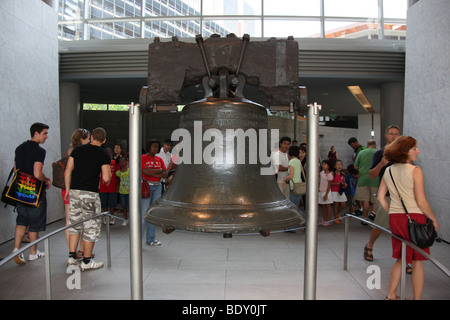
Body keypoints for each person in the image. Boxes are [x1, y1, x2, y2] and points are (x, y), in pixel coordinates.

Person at [377, 136, 439, 300]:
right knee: (417, 261)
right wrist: (433, 219)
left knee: (400, 258)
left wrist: (392, 211)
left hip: (396, 218)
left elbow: (381, 197)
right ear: (404, 152)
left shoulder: (388, 170)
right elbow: (421, 201)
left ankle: (391, 295)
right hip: (414, 218)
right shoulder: (415, 170)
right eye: (414, 149)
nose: (418, 151)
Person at [64, 127, 112, 271]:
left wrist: (67, 189)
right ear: (104, 140)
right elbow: (106, 177)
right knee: (91, 227)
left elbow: (68, 170)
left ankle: (72, 257)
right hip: (90, 194)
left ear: (91, 137)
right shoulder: (104, 154)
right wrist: (108, 181)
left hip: (74, 192)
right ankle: (86, 261)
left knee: (74, 224)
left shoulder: (77, 151)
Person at [11, 123, 51, 264]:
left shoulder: (19, 148)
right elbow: (37, 173)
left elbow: (17, 170)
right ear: (36, 133)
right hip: (34, 190)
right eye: (44, 133)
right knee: (34, 221)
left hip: (21, 188)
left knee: (21, 219)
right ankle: (33, 253)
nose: (46, 136)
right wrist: (46, 179)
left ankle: (16, 249)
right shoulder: (39, 151)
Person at [364, 125, 400, 262]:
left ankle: (404, 258)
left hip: (402, 195)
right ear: (386, 135)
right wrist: (381, 164)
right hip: (386, 195)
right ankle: (370, 245)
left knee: (402, 228)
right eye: (391, 133)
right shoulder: (379, 153)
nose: (394, 136)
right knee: (380, 224)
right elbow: (372, 174)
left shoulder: (403, 153)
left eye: (396, 134)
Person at [62, 128, 91, 256]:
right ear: (82, 139)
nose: (89, 140)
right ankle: (77, 250)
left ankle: (74, 250)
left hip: (68, 189)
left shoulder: (70, 151)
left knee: (71, 220)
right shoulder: (80, 152)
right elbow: (69, 171)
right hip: (76, 189)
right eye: (87, 138)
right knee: (79, 221)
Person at [141, 139, 167, 246]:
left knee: (153, 213)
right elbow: (144, 171)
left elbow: (165, 174)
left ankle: (150, 239)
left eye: (157, 146)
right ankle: (138, 240)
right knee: (143, 214)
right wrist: (159, 171)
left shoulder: (159, 159)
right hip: (147, 186)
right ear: (149, 147)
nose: (155, 148)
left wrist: (152, 173)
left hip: (157, 187)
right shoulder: (143, 158)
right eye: (153, 146)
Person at [354, 140, 378, 224]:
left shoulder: (361, 153)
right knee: (374, 199)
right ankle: (373, 213)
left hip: (363, 179)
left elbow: (356, 167)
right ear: (375, 145)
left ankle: (365, 218)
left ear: (367, 145)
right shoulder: (378, 152)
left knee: (365, 200)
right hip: (375, 179)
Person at [282, 146, 307, 223]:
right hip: (298, 185)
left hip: (294, 186)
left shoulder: (292, 161)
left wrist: (284, 179)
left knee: (294, 208)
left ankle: (306, 221)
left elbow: (291, 176)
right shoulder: (298, 161)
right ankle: (293, 226)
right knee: (294, 207)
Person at [100, 148, 119, 225]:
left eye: (109, 153)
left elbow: (117, 175)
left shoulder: (114, 163)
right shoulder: (101, 162)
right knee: (104, 203)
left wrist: (117, 186)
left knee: (112, 204)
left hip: (112, 187)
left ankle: (112, 216)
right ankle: (105, 216)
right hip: (103, 187)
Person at [330, 159, 347, 224]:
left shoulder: (342, 174)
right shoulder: (333, 173)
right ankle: (335, 217)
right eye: (337, 165)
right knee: (336, 205)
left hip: (341, 191)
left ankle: (337, 214)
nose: (339, 166)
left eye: (340, 165)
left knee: (343, 204)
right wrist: (336, 184)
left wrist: (345, 185)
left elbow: (344, 182)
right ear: (334, 166)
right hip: (334, 191)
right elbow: (330, 183)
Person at [318, 160, 333, 226]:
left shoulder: (329, 175)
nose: (323, 166)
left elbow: (329, 185)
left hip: (326, 192)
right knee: (323, 206)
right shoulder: (322, 173)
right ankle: (324, 219)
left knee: (328, 205)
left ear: (328, 166)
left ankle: (328, 220)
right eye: (323, 164)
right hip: (321, 191)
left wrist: (326, 194)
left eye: (325, 164)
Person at [116, 156, 130, 227]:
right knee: (124, 206)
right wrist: (117, 189)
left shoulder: (129, 171)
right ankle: (125, 218)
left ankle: (133, 219)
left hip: (130, 191)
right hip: (122, 191)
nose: (122, 163)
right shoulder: (118, 173)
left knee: (131, 206)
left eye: (123, 161)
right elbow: (118, 182)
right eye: (120, 162)